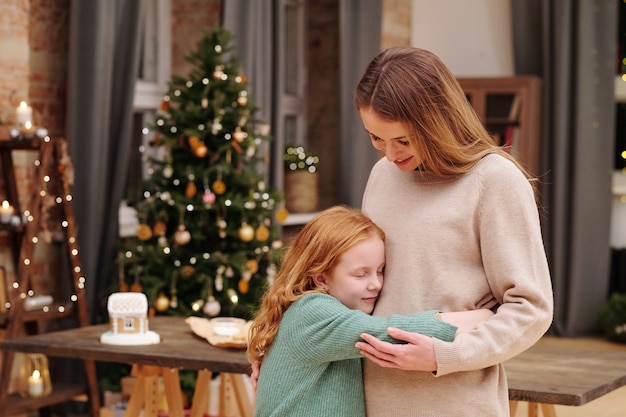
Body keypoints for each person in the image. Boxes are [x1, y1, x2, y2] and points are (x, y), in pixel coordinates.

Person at [353, 46, 554, 416]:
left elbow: (531, 308)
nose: (390, 154)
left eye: (403, 140)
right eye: (376, 138)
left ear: (437, 121)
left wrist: (444, 354)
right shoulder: (383, 175)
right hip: (372, 398)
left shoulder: (494, 181)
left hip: (453, 401)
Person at [247, 205, 493, 417]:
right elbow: (386, 333)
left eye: (380, 270)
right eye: (360, 274)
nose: (375, 283)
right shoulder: (313, 310)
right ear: (321, 278)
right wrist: (483, 316)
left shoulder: (308, 309)